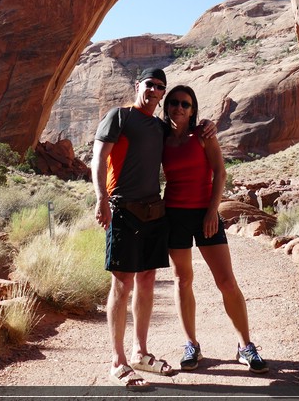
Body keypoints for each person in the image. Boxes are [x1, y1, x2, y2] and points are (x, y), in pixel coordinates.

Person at [161, 84, 269, 374]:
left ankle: (245, 345)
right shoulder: (162, 138)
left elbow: (220, 172)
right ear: (167, 105)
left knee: (226, 282)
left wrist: (212, 211)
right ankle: (191, 344)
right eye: (174, 102)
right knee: (182, 280)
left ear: (193, 109)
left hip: (204, 214)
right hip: (174, 215)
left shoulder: (203, 135)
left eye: (185, 104)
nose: (179, 108)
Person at [91, 67, 175, 388]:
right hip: (123, 209)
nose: (154, 91)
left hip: (154, 210)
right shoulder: (120, 116)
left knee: (148, 280)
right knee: (122, 283)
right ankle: (118, 360)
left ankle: (140, 352)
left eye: (160, 87)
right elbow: (99, 157)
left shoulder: (158, 126)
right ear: (138, 85)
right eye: (150, 84)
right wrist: (101, 198)